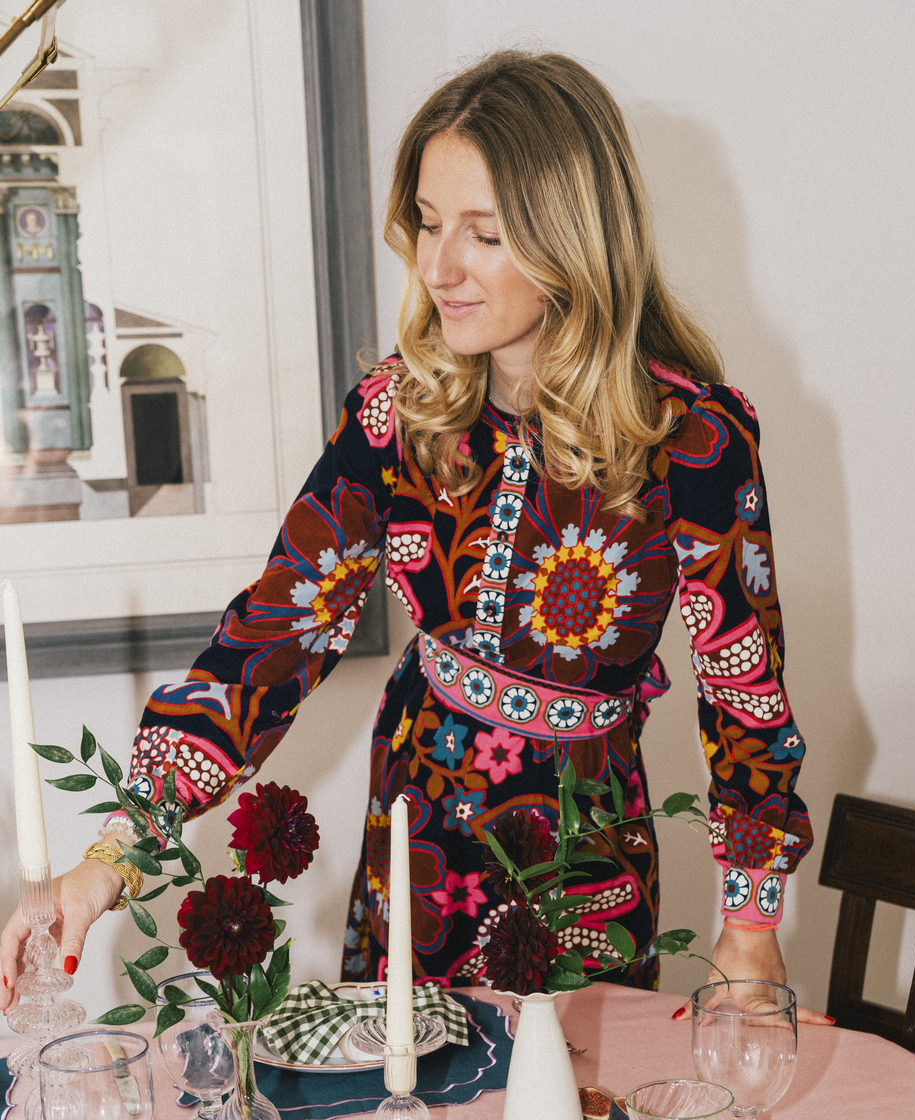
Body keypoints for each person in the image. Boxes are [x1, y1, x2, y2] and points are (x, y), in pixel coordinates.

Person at [1, 50, 831, 1022]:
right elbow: (270, 644)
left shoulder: (692, 441)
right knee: (406, 1117)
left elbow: (746, 698)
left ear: (573, 239)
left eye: (482, 234)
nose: (439, 268)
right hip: (416, 838)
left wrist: (747, 930)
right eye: (430, 225)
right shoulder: (397, 419)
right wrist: (110, 860)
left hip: (583, 853)